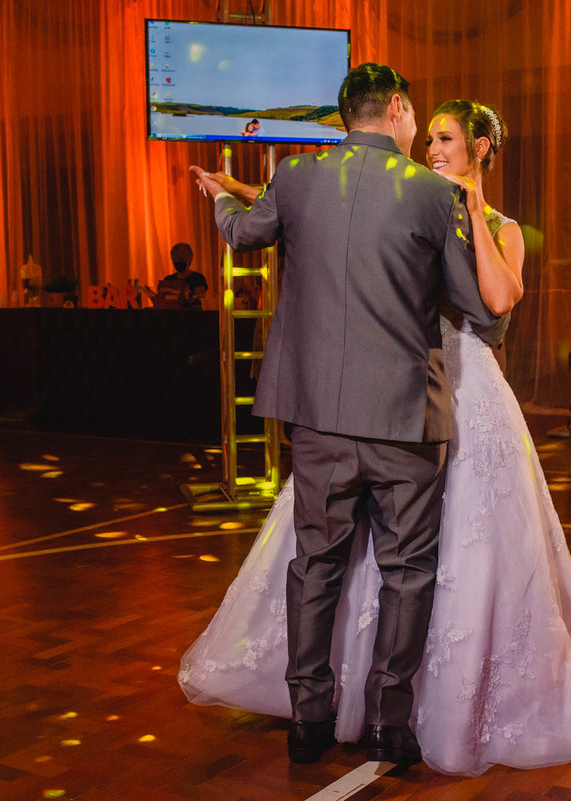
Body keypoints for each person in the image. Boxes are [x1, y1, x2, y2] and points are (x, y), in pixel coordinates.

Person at [179, 99, 571, 777]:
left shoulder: (492, 222)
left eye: (445, 138)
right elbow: (303, 206)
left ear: (479, 149)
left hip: (466, 391)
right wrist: (235, 190)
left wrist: (469, 208)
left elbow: (499, 303)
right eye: (428, 136)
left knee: (455, 553)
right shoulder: (410, 201)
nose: (431, 147)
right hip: (392, 400)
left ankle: (442, 697)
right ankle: (346, 700)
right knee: (354, 558)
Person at [188, 63, 502, 768]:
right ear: (394, 109)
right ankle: (391, 721)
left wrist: (217, 199)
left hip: (319, 423)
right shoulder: (433, 194)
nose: (417, 128)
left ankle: (309, 718)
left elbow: (241, 234)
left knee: (317, 566)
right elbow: (479, 308)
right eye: (413, 113)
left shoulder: (296, 178)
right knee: (407, 570)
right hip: (405, 421)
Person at [159, 242, 208, 307]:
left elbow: (199, 300)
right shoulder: (168, 280)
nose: (177, 261)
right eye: (174, 259)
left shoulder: (198, 279)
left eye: (181, 258)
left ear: (189, 258)